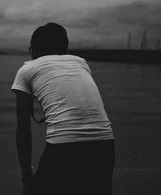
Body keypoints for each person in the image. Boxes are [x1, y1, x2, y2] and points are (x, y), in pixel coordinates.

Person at [11, 23, 115, 195]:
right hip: (105, 144)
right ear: (65, 48)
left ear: (34, 49)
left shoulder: (26, 69)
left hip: (63, 147)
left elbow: (23, 129)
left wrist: (27, 177)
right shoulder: (81, 62)